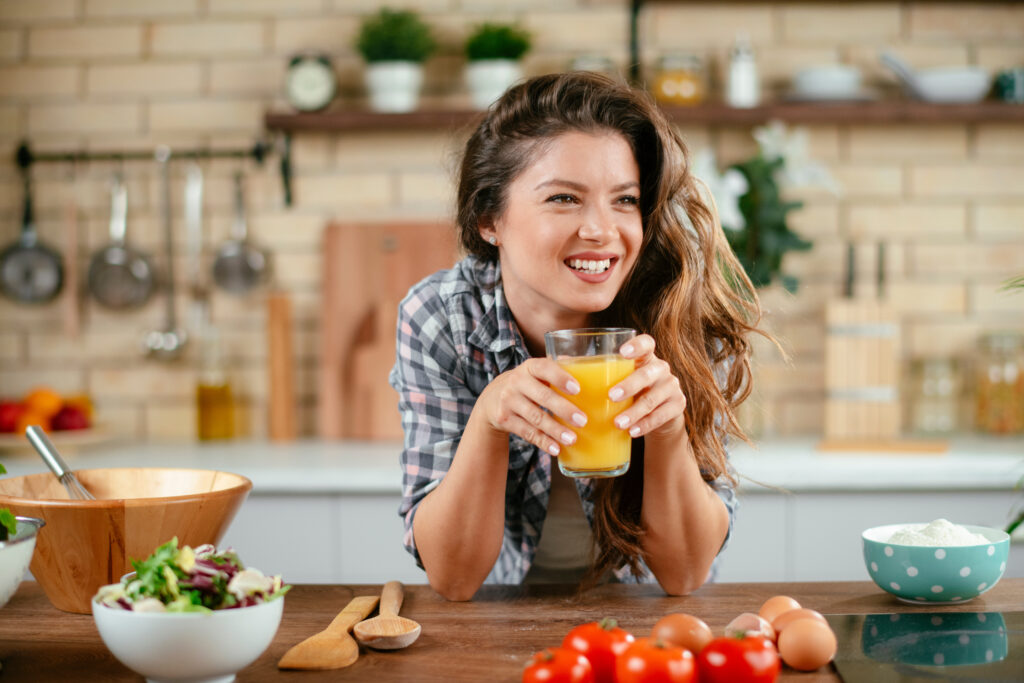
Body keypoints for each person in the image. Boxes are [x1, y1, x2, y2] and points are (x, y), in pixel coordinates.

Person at [389, 71, 765, 601]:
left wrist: (666, 431)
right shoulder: (441, 317)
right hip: (500, 623)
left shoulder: (682, 318)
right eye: (564, 199)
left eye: (625, 200)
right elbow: (452, 578)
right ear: (488, 218)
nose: (601, 229)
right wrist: (491, 419)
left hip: (645, 624)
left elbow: (683, 576)